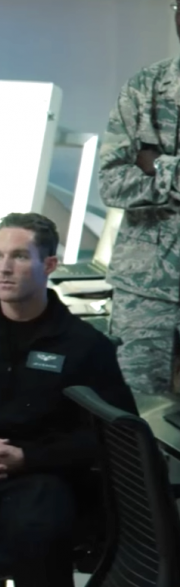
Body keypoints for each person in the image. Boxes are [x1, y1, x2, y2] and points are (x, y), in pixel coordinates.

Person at [0, 213, 137, 587]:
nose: (4, 268)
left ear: (49, 265)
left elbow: (114, 438)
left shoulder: (85, 346)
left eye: (19, 256)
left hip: (38, 482)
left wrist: (26, 457)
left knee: (38, 522)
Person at [98, 5, 180, 394]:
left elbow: (138, 174)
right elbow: (112, 183)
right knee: (136, 414)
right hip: (146, 295)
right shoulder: (144, 88)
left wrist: (157, 165)